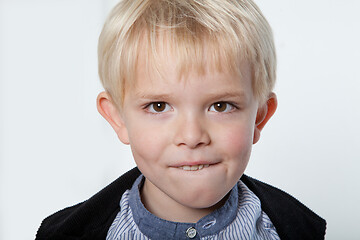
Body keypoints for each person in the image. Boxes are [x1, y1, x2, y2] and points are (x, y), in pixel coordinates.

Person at [36, 0, 326, 239]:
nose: (191, 135)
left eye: (221, 106)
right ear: (118, 118)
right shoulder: (69, 234)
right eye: (159, 106)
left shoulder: (292, 230)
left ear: (259, 117)